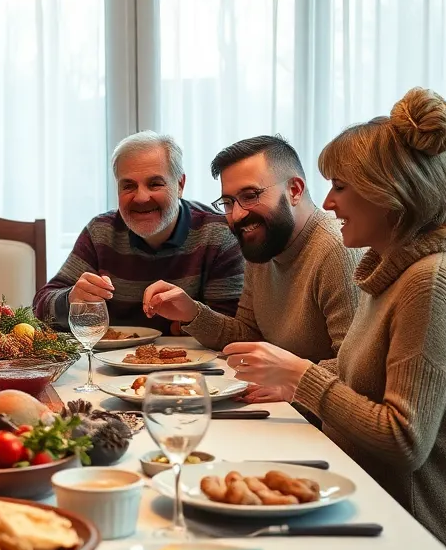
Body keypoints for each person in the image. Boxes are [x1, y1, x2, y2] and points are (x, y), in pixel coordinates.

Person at [223, 88, 446, 550]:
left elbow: (403, 440)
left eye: (341, 187)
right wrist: (289, 378)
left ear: (390, 192)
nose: (327, 203)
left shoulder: (430, 283)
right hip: (367, 497)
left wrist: (303, 377)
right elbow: (357, 372)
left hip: (415, 535)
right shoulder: (392, 269)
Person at [142, 136, 361, 402]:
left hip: (320, 426)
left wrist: (293, 385)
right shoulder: (266, 243)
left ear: (294, 190)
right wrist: (192, 313)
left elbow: (354, 369)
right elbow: (249, 333)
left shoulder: (337, 250)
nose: (236, 216)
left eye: (250, 196)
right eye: (229, 202)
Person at [34, 131, 245, 332]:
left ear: (180, 185)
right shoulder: (100, 232)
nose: (141, 197)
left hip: (192, 367)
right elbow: (40, 307)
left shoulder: (217, 234)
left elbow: (232, 327)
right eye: (128, 186)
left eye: (155, 184)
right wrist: (70, 299)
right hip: (109, 366)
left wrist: (190, 319)